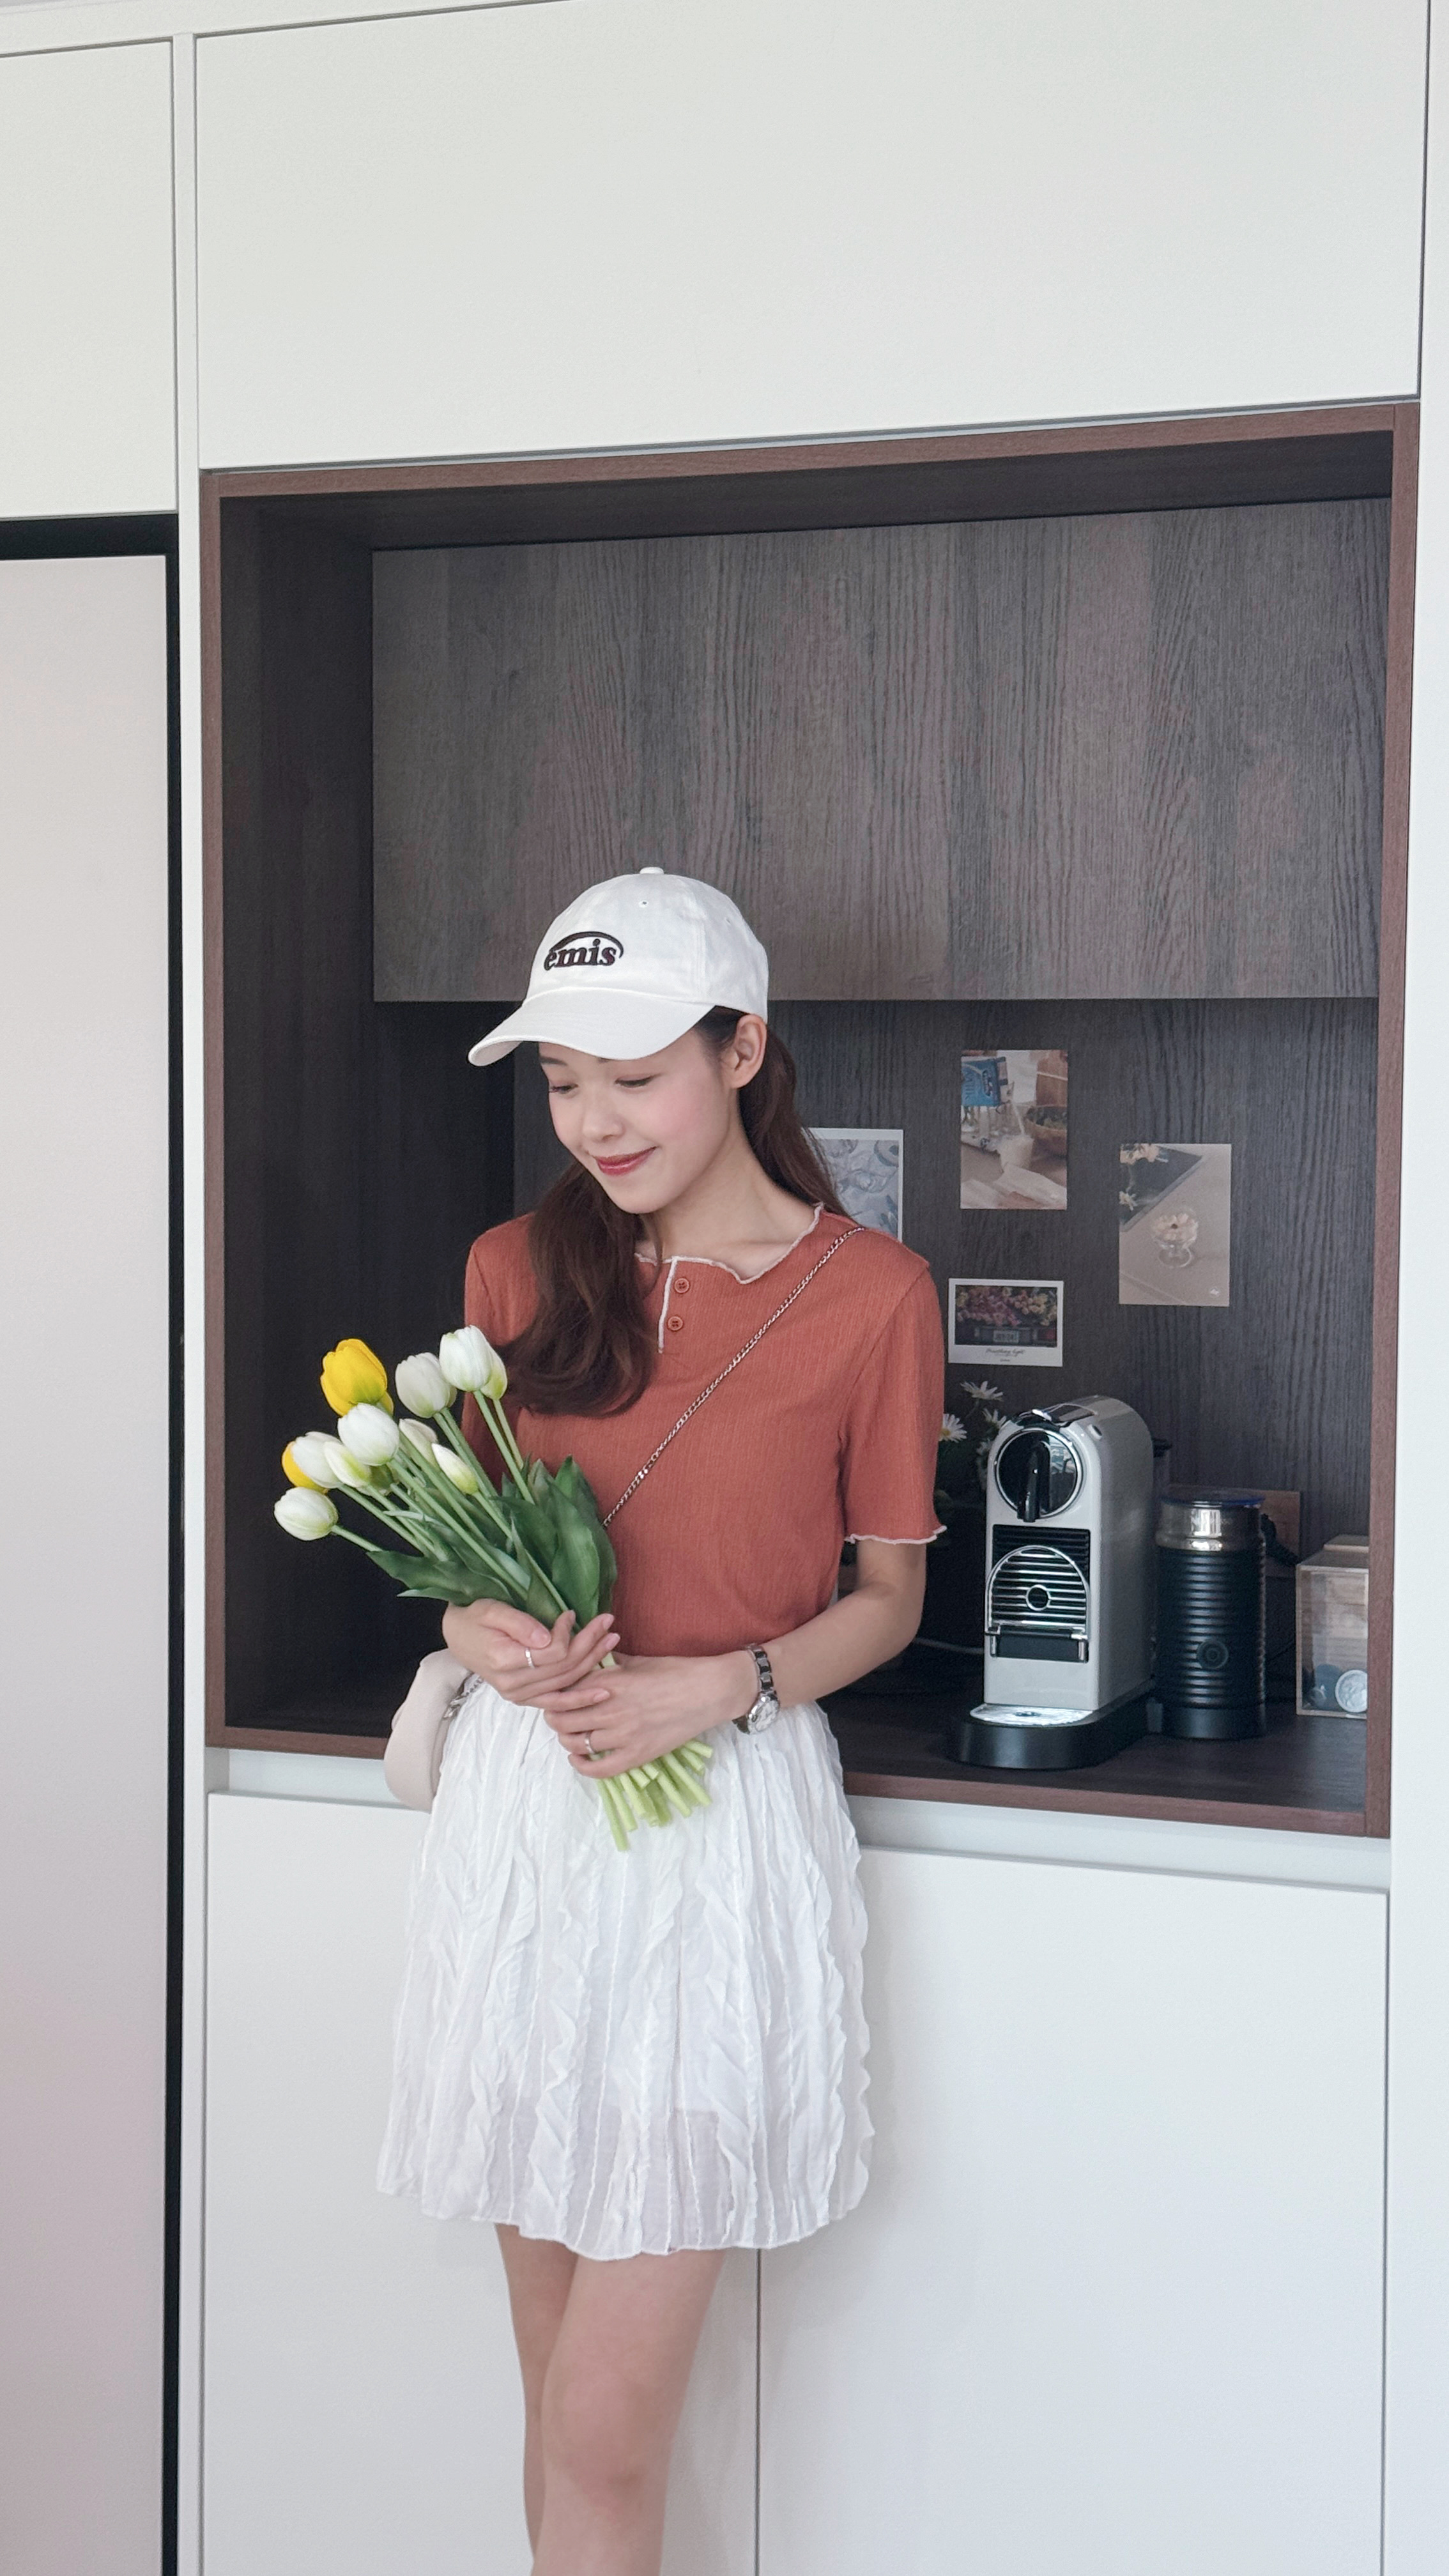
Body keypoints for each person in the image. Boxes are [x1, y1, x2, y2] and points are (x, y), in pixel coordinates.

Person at [378, 870, 944, 2575]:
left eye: (633, 1076)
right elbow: (465, 1561)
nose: (595, 1121)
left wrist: (728, 1684)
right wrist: (480, 1631)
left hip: (716, 1826)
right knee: (555, 2399)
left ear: (740, 1050)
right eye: (563, 1081)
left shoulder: (873, 1294)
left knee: (608, 2431)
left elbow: (888, 1600)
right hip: (525, 1824)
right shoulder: (514, 1267)